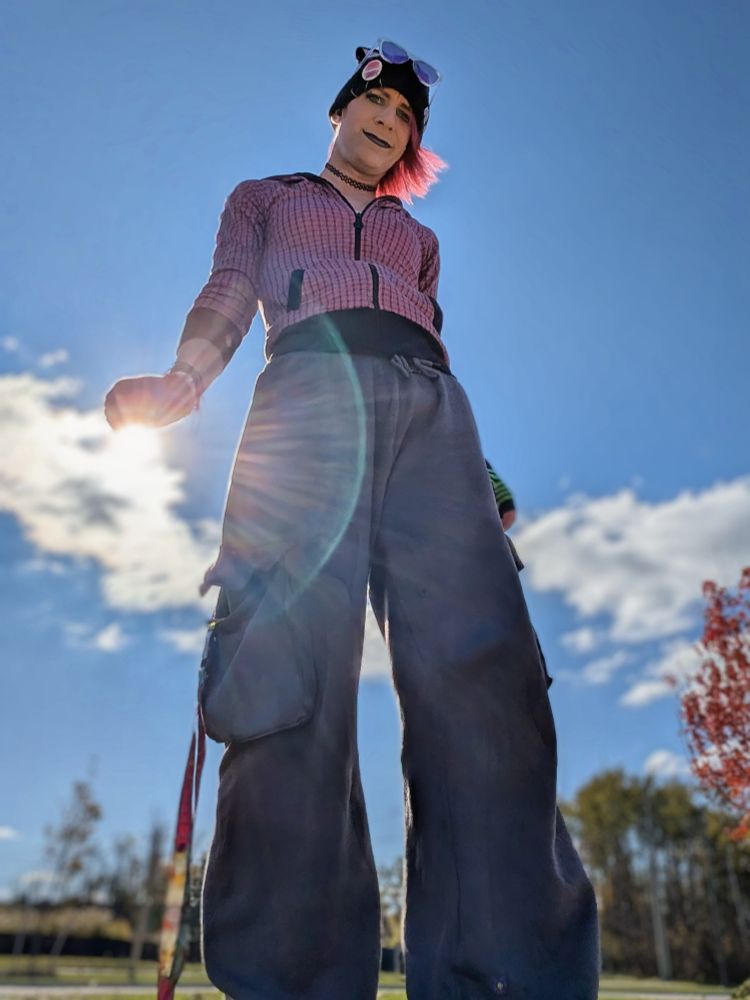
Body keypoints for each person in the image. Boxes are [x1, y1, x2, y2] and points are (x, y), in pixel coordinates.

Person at [104, 41, 599, 1000]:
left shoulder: (419, 238)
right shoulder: (266, 197)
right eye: (376, 100)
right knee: (285, 665)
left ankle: (505, 977)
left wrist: (481, 474)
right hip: (304, 403)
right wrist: (184, 381)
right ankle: (296, 978)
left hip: (431, 418)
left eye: (407, 116)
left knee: (485, 677)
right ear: (342, 108)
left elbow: (436, 345)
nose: (389, 120)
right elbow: (229, 291)